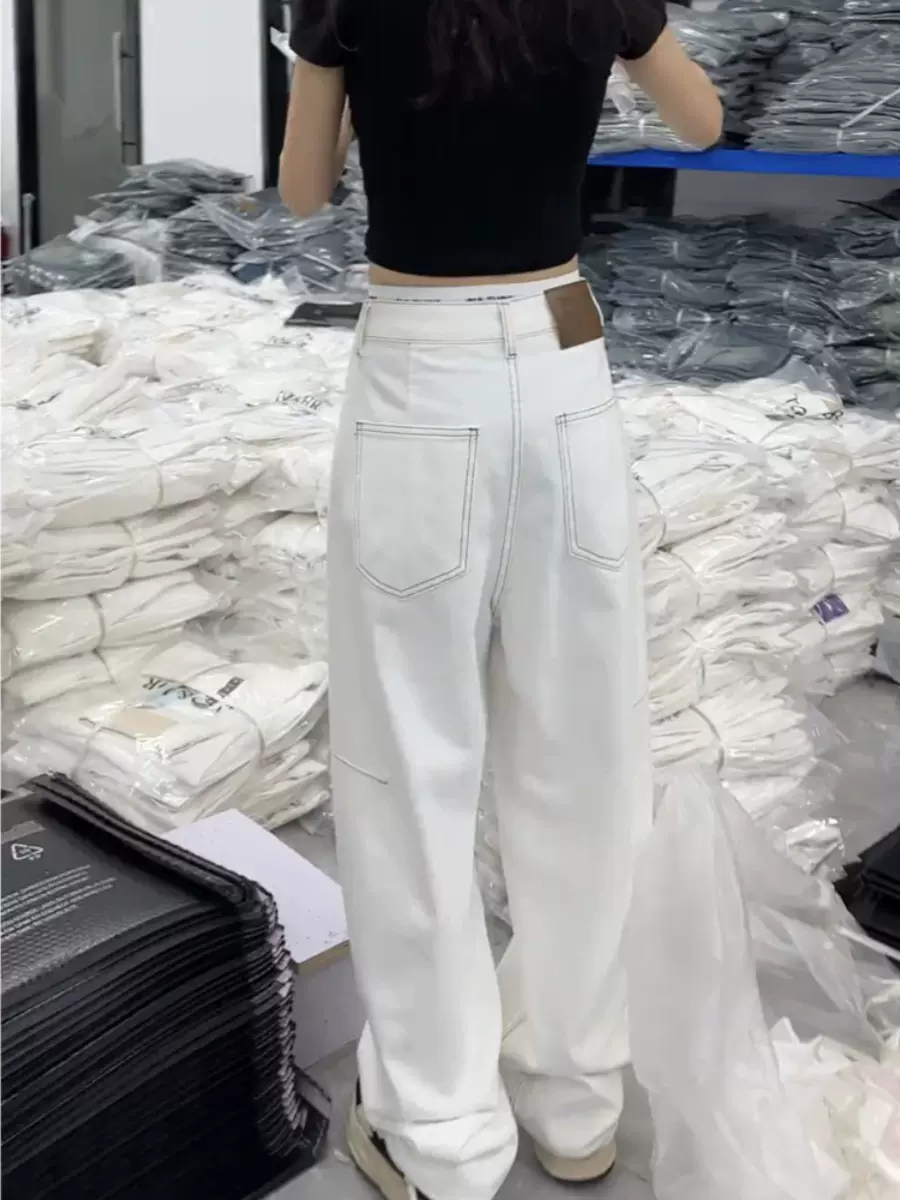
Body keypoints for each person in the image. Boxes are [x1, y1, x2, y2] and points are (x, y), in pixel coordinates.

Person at [280, 4, 722, 1198]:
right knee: (583, 752)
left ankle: (442, 1139)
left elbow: (305, 194)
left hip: (419, 371)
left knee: (409, 769)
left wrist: (364, 98)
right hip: (563, 359)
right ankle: (575, 1102)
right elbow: (702, 121)